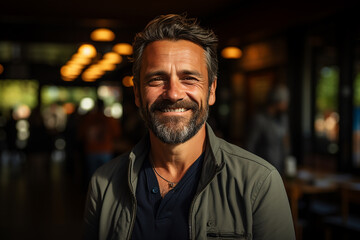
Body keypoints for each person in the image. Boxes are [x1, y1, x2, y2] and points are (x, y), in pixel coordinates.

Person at [84, 14, 295, 240]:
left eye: (189, 78)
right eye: (156, 78)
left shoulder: (258, 184)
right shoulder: (104, 184)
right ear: (137, 92)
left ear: (211, 90)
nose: (173, 93)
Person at [247, 84, 291, 174]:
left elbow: (286, 142)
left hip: (280, 171)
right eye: (284, 102)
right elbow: (250, 146)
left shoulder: (283, 119)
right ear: (276, 102)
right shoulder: (259, 120)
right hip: (262, 172)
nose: (286, 106)